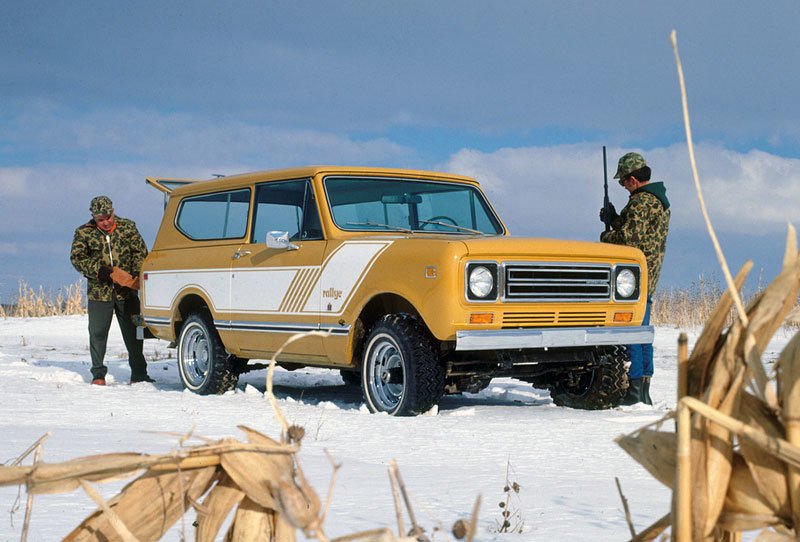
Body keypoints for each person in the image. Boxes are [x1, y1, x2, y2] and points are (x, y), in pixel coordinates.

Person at [599, 152, 670, 405]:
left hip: (635, 279)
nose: (621, 186)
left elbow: (630, 241)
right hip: (648, 274)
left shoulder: (642, 202)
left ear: (632, 179)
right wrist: (616, 218)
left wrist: (605, 236)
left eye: (623, 181)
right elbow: (638, 232)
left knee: (632, 331)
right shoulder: (656, 201)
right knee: (642, 332)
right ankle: (643, 390)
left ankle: (634, 390)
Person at [70, 196, 153, 385]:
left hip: (128, 293)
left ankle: (139, 374)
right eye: (101, 219)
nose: (106, 222)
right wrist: (102, 272)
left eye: (108, 217)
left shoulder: (128, 227)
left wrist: (133, 275)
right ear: (93, 217)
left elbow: (140, 252)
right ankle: (98, 374)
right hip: (99, 293)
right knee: (97, 333)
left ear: (113, 211)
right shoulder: (83, 233)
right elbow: (77, 259)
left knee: (135, 332)